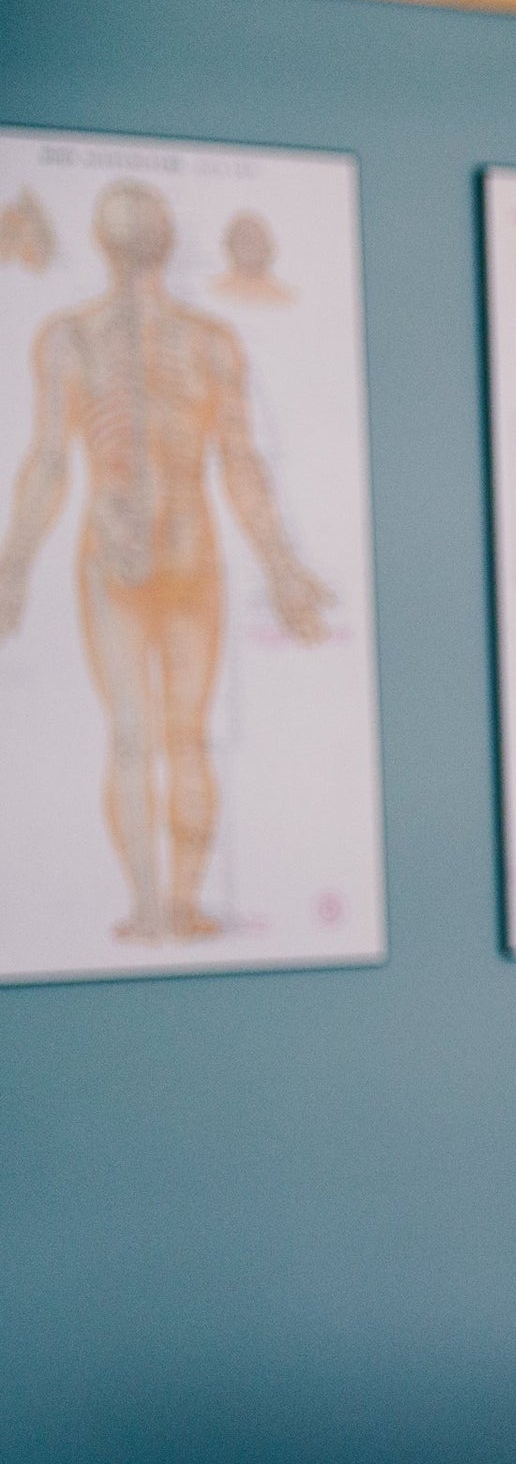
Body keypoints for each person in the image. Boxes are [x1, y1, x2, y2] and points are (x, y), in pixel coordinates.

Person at [0, 180, 332, 944]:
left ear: (99, 240)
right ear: (168, 240)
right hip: (166, 552)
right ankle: (165, 904)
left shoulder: (85, 337)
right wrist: (14, 561)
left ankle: (162, 904)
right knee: (168, 735)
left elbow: (53, 461)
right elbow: (54, 460)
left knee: (150, 736)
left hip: (140, 552)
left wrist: (282, 565)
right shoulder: (164, 340)